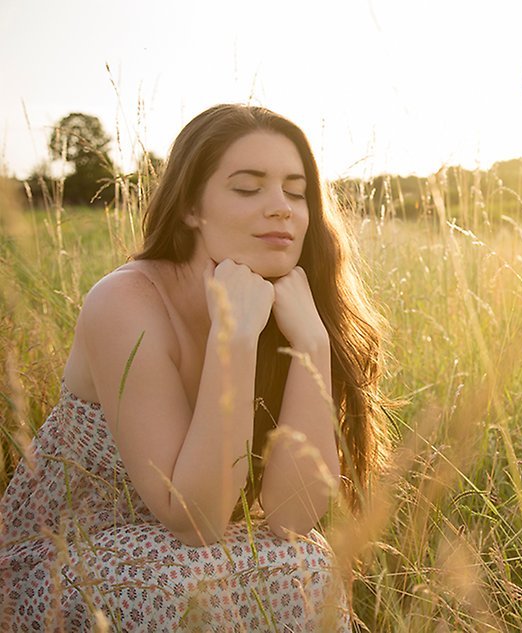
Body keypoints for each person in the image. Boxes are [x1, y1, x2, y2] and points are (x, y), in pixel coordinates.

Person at [0, 104, 391, 631]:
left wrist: (312, 342)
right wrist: (233, 337)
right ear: (190, 207)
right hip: (61, 556)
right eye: (248, 188)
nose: (281, 209)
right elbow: (197, 521)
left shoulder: (282, 302)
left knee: (304, 563)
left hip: (187, 551)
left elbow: (292, 518)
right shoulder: (126, 302)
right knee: (184, 586)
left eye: (296, 191)